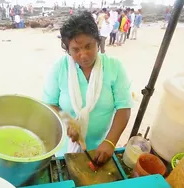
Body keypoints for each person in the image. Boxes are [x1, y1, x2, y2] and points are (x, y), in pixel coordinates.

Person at [42, 11, 132, 164]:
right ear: (68, 50)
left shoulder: (114, 67)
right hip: (66, 149)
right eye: (76, 50)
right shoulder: (60, 68)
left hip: (100, 147)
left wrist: (110, 142)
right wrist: (68, 122)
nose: (83, 55)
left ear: (97, 41)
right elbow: (50, 104)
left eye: (88, 46)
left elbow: (124, 107)